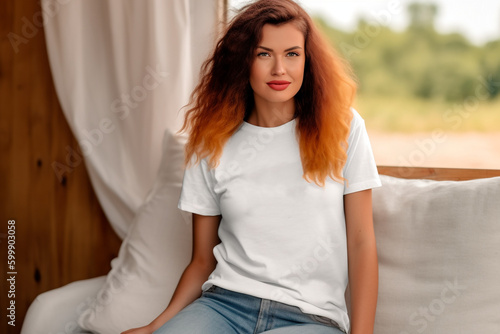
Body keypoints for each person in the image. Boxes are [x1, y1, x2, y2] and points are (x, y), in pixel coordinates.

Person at [123, 0, 381, 333]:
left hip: (309, 316)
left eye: (292, 54)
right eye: (263, 54)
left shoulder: (345, 129)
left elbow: (361, 243)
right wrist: (155, 326)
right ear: (242, 61)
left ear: (308, 61)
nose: (279, 70)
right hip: (224, 305)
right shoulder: (211, 142)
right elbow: (202, 261)